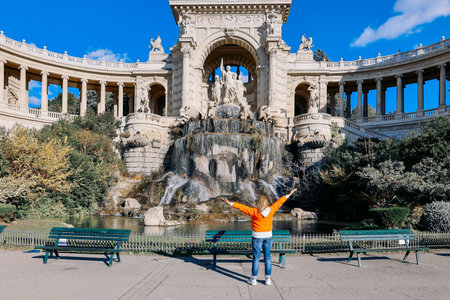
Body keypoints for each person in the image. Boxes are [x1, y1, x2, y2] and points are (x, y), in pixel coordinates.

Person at [220, 188, 297, 286]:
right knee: (268, 258)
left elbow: (241, 207)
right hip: (268, 237)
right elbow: (279, 202)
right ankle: (268, 279)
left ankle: (253, 279)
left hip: (257, 237)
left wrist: (229, 203)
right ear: (266, 203)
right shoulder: (271, 210)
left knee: (256, 258)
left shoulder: (254, 211)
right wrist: (289, 194)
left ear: (258, 203)